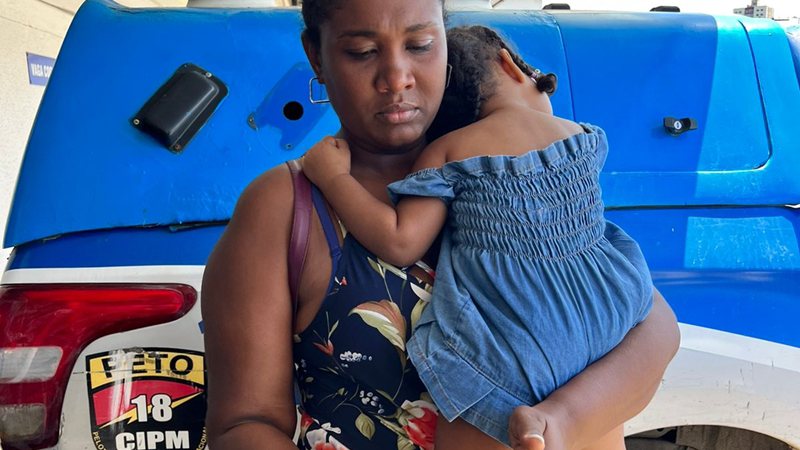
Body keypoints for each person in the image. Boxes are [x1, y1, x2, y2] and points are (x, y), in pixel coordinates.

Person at [201, 1, 680, 450]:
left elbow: (650, 325)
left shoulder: (508, 170)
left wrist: (561, 421)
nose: (396, 78)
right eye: (362, 51)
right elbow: (245, 423)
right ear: (316, 57)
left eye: (419, 45)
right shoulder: (288, 206)